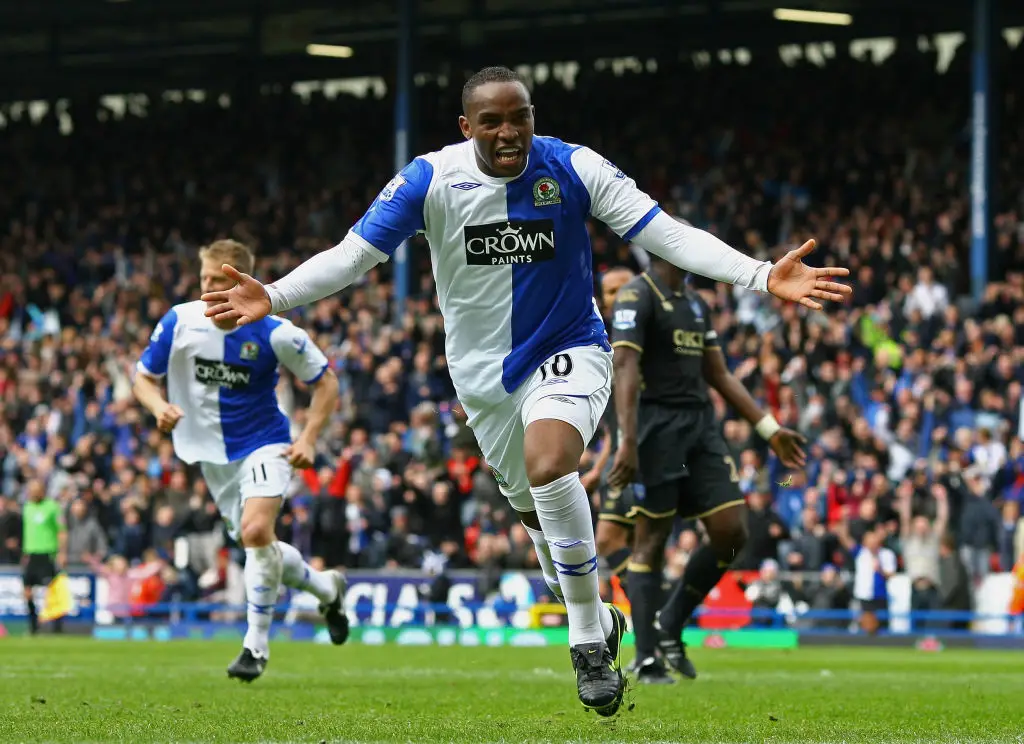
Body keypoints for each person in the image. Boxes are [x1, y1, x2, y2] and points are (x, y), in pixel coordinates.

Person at [200, 66, 850, 714]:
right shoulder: (431, 179)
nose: (509, 132)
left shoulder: (572, 167)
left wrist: (762, 275)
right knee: (535, 515)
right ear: (467, 126)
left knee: (550, 465)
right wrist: (276, 294)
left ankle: (589, 641)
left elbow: (665, 232)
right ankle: (597, 612)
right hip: (482, 378)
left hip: (569, 349)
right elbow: (353, 256)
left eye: (521, 117)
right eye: (492, 121)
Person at [133, 239, 350, 683]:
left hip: (266, 443)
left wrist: (308, 438)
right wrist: (158, 408)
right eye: (204, 280)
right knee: (260, 545)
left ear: (240, 280)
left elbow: (326, 383)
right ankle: (326, 587)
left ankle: (255, 647)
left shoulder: (275, 332)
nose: (209, 289)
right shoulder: (179, 321)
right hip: (213, 458)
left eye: (219, 280)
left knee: (255, 532)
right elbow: (143, 378)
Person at [607, 250, 807, 683]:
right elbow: (623, 365)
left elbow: (718, 373)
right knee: (652, 541)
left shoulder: (695, 303)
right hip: (655, 430)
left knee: (732, 532)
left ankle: (670, 621)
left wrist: (769, 428)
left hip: (700, 429)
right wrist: (626, 439)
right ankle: (645, 657)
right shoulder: (636, 295)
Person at [21, 479, 67, 635]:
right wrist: (25, 552)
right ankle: (33, 626)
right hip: (32, 554)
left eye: (34, 490)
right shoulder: (27, 507)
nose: (31, 493)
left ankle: (57, 627)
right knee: (27, 591)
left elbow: (61, 531)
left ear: (42, 491)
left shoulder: (52, 507)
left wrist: (62, 552)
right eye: (30, 490)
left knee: (52, 591)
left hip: (48, 553)